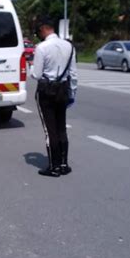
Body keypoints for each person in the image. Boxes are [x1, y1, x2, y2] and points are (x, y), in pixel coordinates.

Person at [31, 17, 77, 177]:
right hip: (63, 89)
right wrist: (72, 94)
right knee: (61, 127)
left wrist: (31, 68)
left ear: (44, 29)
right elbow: (74, 74)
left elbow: (36, 74)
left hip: (47, 90)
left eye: (38, 32)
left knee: (49, 130)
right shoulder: (69, 46)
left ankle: (53, 166)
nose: (39, 35)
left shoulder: (42, 48)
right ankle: (64, 164)